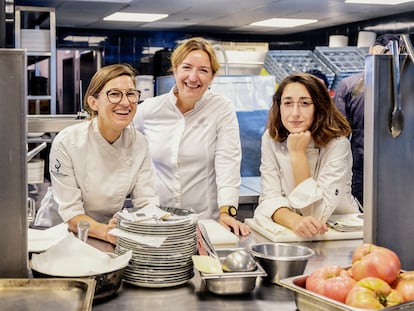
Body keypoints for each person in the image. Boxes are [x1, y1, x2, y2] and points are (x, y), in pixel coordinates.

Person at [133, 37, 250, 236]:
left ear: (213, 76)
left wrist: (227, 211)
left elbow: (227, 161)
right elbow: (124, 150)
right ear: (175, 69)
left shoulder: (221, 108)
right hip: (156, 220)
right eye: (187, 67)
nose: (193, 78)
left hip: (204, 223)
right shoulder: (148, 110)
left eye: (203, 70)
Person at [49, 63, 159, 244]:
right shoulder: (68, 142)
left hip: (109, 233)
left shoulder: (139, 142)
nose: (125, 102)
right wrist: (107, 232)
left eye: (131, 93)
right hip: (61, 233)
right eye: (114, 94)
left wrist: (149, 221)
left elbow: (147, 200)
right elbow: (71, 213)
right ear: (94, 103)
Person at [254, 72, 360, 238]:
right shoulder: (270, 139)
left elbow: (317, 214)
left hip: (338, 233)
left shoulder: (338, 144)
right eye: (287, 103)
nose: (295, 113)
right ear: (278, 106)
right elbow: (268, 199)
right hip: (291, 231)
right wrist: (294, 220)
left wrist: (298, 155)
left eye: (304, 103)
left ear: (319, 107)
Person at [334, 33, 400, 205]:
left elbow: (339, 133)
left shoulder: (348, 84)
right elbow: (339, 135)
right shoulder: (349, 86)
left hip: (365, 165)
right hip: (374, 167)